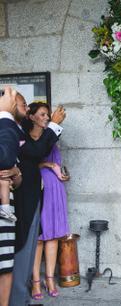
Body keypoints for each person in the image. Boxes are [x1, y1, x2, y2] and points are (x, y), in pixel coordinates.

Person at [9, 95, 65, 306]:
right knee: (23, 247)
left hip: (33, 194)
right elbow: (35, 151)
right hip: (23, 196)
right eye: (23, 104)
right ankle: (18, 298)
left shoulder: (16, 128)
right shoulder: (14, 129)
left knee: (30, 244)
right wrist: (54, 125)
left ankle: (20, 298)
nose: (25, 105)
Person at [28, 103, 70, 300]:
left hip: (54, 190)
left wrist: (62, 173)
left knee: (52, 237)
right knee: (38, 238)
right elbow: (28, 163)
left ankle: (50, 278)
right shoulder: (25, 138)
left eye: (47, 114)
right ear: (32, 117)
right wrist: (48, 164)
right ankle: (36, 281)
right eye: (42, 114)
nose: (46, 117)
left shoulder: (51, 140)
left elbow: (58, 164)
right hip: (36, 189)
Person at [0, 86, 22, 306]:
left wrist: (15, 173)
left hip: (6, 215)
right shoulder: (5, 127)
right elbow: (4, 157)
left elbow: (16, 176)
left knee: (5, 265)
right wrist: (5, 115)